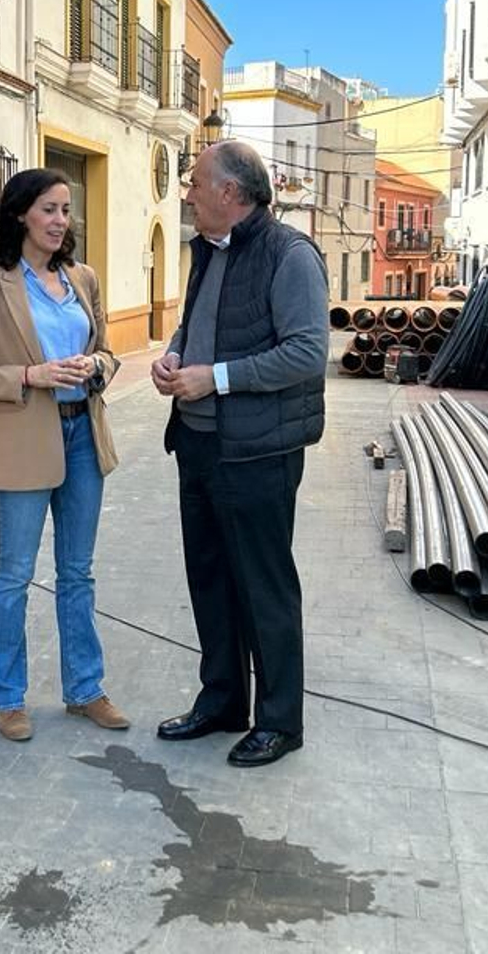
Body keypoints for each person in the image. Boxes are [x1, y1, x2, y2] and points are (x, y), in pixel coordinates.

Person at [151, 140, 328, 767]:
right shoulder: (209, 251)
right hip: (199, 443)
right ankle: (223, 702)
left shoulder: (291, 255)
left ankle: (281, 721)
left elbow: (307, 352)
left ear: (231, 192)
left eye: (196, 182)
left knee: (263, 585)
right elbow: (198, 323)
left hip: (257, 454)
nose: (188, 191)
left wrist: (214, 377)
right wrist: (175, 354)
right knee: (211, 580)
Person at [0, 167, 126, 742]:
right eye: (49, 209)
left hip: (83, 437)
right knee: (15, 574)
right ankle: (9, 698)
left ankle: (85, 689)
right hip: (25, 437)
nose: (59, 221)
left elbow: (106, 352)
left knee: (78, 572)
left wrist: (95, 367)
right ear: (21, 213)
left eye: (66, 210)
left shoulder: (82, 278)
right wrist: (31, 374)